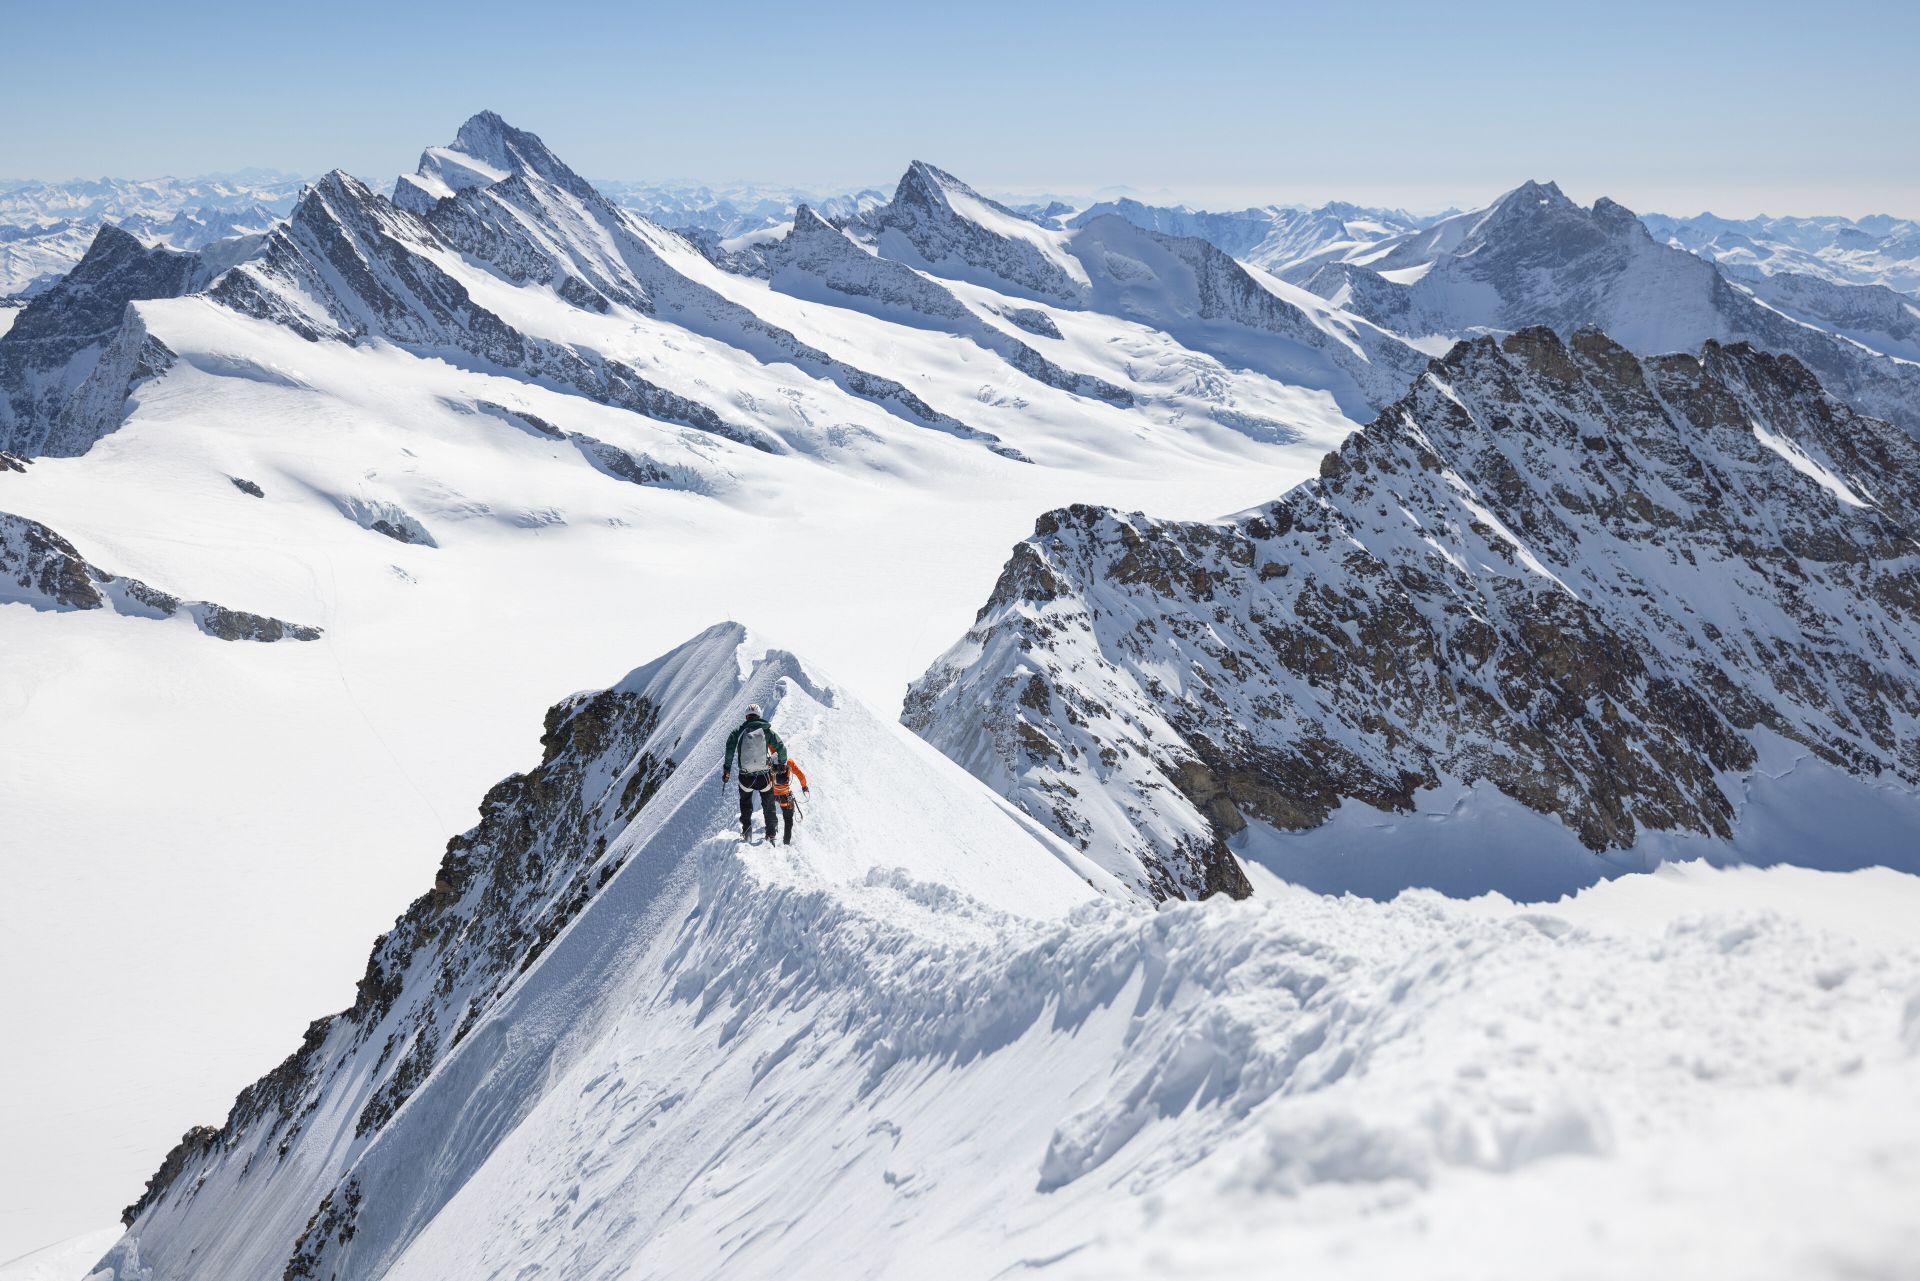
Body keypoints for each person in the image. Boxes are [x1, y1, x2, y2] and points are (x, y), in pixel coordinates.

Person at [721, 703, 786, 843]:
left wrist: (727, 770)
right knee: (768, 804)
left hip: (746, 777)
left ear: (746, 717)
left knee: (745, 803)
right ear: (759, 716)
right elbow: (781, 747)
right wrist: (782, 763)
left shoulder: (738, 732)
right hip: (764, 776)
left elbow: (729, 750)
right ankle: (771, 832)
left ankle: (747, 831)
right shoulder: (766, 731)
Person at [770, 758, 810, 845]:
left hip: (771, 794)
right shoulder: (788, 762)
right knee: (788, 819)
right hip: (785, 795)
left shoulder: (771, 760)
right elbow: (800, 775)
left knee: (770, 812)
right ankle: (786, 842)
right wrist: (804, 786)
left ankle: (772, 830)